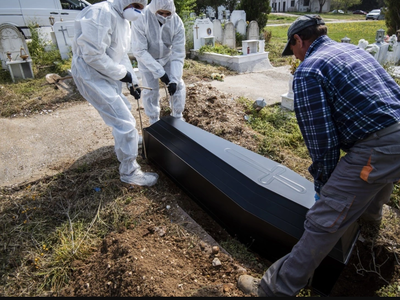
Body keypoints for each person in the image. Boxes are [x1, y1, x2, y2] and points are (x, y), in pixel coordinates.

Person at [237, 14, 400, 297]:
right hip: (393, 135)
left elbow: (322, 141)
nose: (296, 57)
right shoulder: (352, 51)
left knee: (322, 221)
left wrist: (325, 189)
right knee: (377, 177)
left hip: (378, 146)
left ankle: (274, 289)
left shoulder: (310, 70)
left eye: (293, 50)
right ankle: (370, 223)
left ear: (299, 40)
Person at [71, 0, 158, 187]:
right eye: (136, 4)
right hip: (91, 75)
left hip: (106, 74)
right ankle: (129, 172)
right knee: (123, 121)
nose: (138, 11)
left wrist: (132, 81)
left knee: (123, 110)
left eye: (142, 7)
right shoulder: (101, 13)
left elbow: (121, 54)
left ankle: (131, 142)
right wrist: (122, 74)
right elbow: (92, 55)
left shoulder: (123, 20)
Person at [131, 0, 186, 125]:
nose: (164, 16)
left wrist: (174, 79)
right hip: (147, 59)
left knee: (178, 86)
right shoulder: (141, 18)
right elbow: (140, 50)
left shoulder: (176, 22)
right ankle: (154, 121)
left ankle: (177, 118)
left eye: (168, 13)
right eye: (161, 13)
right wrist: (160, 73)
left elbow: (178, 53)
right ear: (154, 9)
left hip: (167, 58)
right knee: (151, 90)